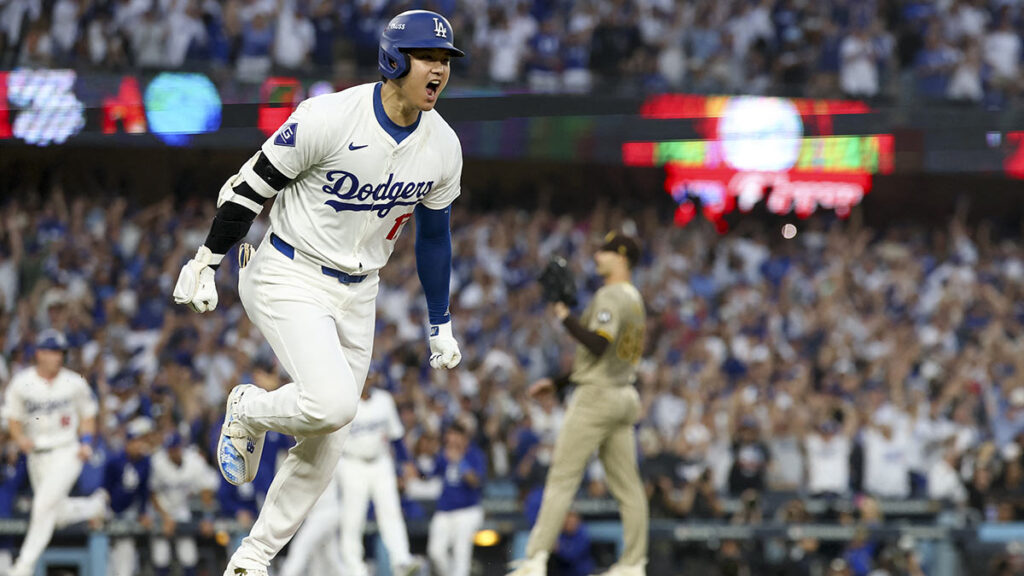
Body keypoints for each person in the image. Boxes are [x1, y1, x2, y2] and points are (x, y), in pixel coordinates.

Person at [170, 9, 466, 576]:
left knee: (332, 436)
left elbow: (435, 237)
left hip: (361, 291)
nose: (438, 70)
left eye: (446, 60)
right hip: (288, 270)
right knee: (333, 405)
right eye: (428, 58)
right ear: (395, 60)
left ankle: (252, 559)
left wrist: (440, 319)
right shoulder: (329, 116)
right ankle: (249, 409)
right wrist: (206, 259)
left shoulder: (443, 146)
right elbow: (252, 185)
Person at [509, 232, 648, 576]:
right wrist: (556, 383)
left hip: (596, 398)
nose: (598, 255)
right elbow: (601, 358)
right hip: (624, 393)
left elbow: (598, 345)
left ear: (622, 257)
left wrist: (563, 315)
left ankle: (536, 558)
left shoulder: (611, 295)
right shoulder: (635, 298)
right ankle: (633, 563)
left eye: (605, 250)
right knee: (628, 486)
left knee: (561, 479)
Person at [281, 374, 418, 576]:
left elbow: (396, 436)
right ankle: (355, 569)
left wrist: (406, 463)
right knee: (353, 518)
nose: (368, 380)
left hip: (381, 462)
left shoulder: (384, 400)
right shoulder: (346, 402)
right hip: (352, 463)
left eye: (371, 377)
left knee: (391, 512)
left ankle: (401, 561)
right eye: (366, 377)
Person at [2, 329, 108, 576]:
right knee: (54, 514)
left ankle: (22, 568)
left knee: (41, 506)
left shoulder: (74, 381)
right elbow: (12, 417)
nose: (57, 357)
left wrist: (86, 441)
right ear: (39, 353)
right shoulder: (22, 382)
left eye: (60, 352)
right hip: (36, 455)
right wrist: (19, 439)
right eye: (52, 352)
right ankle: (94, 506)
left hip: (66, 451)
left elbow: (88, 414)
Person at [148, 432, 219, 576]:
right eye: (170, 449)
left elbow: (207, 489)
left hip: (182, 510)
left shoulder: (194, 461)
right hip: (161, 511)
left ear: (181, 448)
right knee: (161, 557)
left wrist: (207, 518)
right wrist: (165, 518)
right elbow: (152, 494)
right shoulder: (157, 462)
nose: (172, 452)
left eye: (175, 448)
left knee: (188, 555)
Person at [427, 422, 487, 576]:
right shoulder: (443, 455)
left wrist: (460, 461)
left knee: (461, 552)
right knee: (435, 552)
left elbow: (475, 482)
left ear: (464, 438)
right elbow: (430, 476)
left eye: (455, 436)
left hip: (468, 510)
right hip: (444, 511)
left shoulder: (475, 454)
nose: (451, 440)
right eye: (449, 436)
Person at [104, 416, 156, 576]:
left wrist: (143, 513)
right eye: (135, 441)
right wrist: (104, 512)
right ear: (128, 442)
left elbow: (143, 491)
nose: (139, 444)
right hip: (109, 511)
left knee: (125, 557)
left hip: (128, 513)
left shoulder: (145, 462)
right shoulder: (114, 460)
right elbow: (104, 490)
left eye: (140, 440)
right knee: (105, 559)